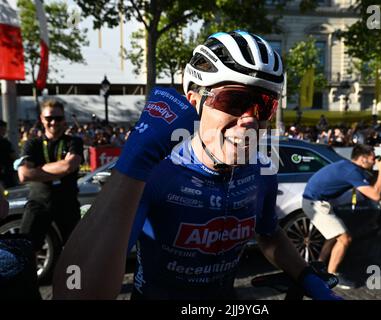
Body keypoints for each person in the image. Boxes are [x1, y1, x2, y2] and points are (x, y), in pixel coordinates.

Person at [53, 31, 341, 300]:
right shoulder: (157, 175)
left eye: (264, 106)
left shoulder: (260, 172)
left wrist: (305, 276)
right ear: (194, 101)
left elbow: (269, 233)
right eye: (234, 100)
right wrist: (133, 163)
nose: (251, 119)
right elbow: (73, 291)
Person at [302, 144, 381, 288]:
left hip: (315, 200)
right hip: (315, 203)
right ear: (362, 159)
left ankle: (319, 266)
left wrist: (377, 170)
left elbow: (369, 187)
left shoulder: (349, 167)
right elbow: (376, 195)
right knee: (345, 239)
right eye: (373, 158)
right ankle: (331, 276)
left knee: (333, 236)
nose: (375, 161)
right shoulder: (352, 171)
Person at [17, 100, 84, 254]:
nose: (54, 122)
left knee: (76, 253)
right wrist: (60, 167)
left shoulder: (74, 142)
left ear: (64, 119)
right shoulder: (32, 144)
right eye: (49, 118)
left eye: (59, 118)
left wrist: (38, 169)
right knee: (25, 252)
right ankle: (32, 279)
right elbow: (24, 175)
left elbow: (70, 166)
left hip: (67, 205)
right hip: (38, 204)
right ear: (42, 118)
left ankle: (73, 279)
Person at [0, 120, 17, 188]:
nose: (5, 132)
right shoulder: (5, 142)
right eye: (3, 129)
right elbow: (13, 156)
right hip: (6, 172)